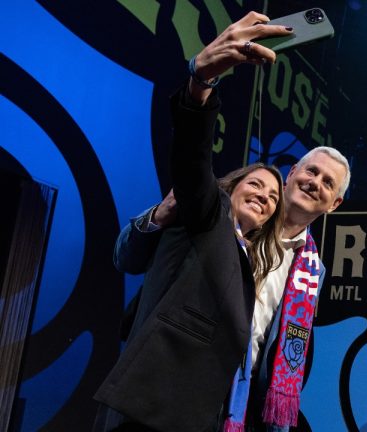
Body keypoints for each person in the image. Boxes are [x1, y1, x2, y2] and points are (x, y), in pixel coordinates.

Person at [97, 11, 352, 432]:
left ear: (334, 203)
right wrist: (201, 81)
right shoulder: (220, 215)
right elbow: (193, 162)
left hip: (232, 411)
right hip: (163, 396)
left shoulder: (312, 269)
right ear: (292, 175)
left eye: (327, 182)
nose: (314, 182)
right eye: (310, 171)